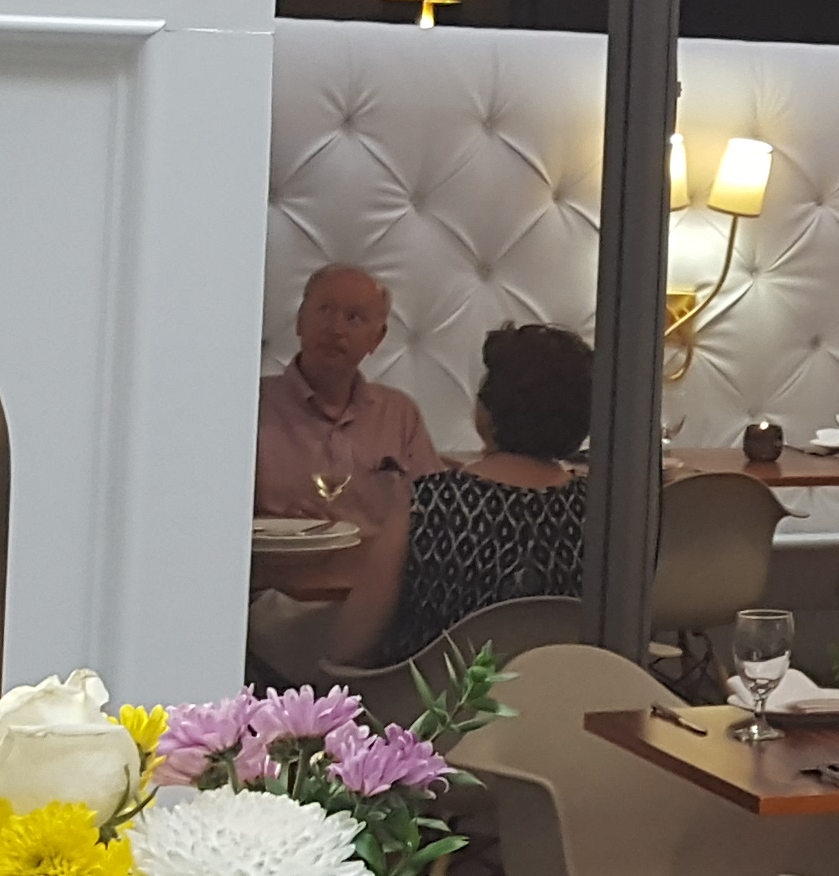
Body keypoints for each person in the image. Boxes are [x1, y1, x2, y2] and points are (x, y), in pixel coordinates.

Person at [254, 322, 592, 680]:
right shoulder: (599, 510)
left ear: (488, 409)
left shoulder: (431, 501)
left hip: (428, 708)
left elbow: (349, 647)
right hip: (563, 704)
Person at [253, 264, 443, 523]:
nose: (336, 329)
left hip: (376, 549)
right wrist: (276, 527)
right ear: (300, 321)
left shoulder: (399, 414)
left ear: (377, 338)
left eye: (354, 318)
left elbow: (433, 513)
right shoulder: (255, 404)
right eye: (325, 311)